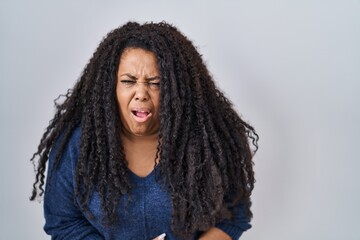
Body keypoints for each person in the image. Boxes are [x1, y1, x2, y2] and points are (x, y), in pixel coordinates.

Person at [30, 21, 259, 240]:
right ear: (110, 87)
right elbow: (64, 224)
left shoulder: (207, 143)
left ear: (176, 91)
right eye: (128, 81)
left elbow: (233, 214)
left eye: (156, 83)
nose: (141, 93)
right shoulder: (75, 146)